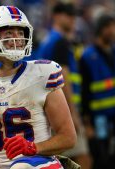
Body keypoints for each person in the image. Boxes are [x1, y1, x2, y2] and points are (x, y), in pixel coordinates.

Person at [0, 5, 77, 169]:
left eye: (21, 33)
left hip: (41, 164)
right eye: (9, 34)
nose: (18, 39)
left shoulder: (43, 74)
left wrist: (34, 147)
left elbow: (68, 137)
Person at [36, 2, 91, 169]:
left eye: (74, 15)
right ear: (57, 16)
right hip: (61, 107)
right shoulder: (59, 42)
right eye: (69, 15)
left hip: (49, 107)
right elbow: (62, 78)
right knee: (83, 159)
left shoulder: (48, 41)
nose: (73, 19)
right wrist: (72, 113)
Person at [79, 13, 115, 169]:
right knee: (100, 160)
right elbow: (84, 92)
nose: (114, 31)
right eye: (109, 27)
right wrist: (87, 123)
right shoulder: (87, 56)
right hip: (97, 119)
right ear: (101, 29)